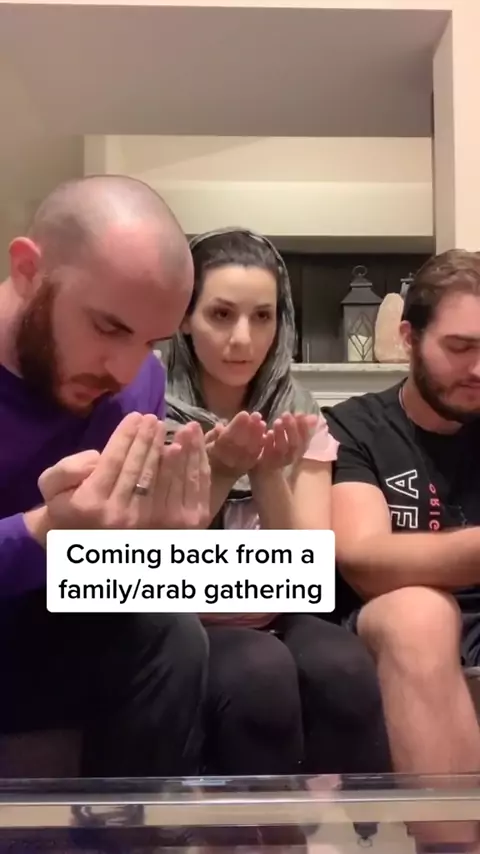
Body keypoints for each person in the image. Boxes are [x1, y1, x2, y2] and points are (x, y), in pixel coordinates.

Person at [0, 174, 210, 783]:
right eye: (108, 328)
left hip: (54, 636)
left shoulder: (139, 383)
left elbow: (110, 583)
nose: (124, 369)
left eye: (151, 342)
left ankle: (128, 828)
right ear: (27, 270)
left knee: (180, 638)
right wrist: (43, 531)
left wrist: (157, 550)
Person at [165, 227, 391, 784]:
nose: (243, 338)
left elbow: (306, 570)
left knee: (344, 667)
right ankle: (264, 828)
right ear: (184, 318)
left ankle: (363, 824)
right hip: (180, 622)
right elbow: (156, 568)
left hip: (278, 611)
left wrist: (267, 472)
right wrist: (222, 471)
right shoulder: (149, 409)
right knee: (257, 674)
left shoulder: (297, 412)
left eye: (262, 317)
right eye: (221, 315)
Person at [322, 249, 480, 851]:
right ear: (409, 338)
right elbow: (364, 560)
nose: (478, 368)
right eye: (460, 347)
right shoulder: (355, 427)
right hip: (392, 620)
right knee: (419, 610)